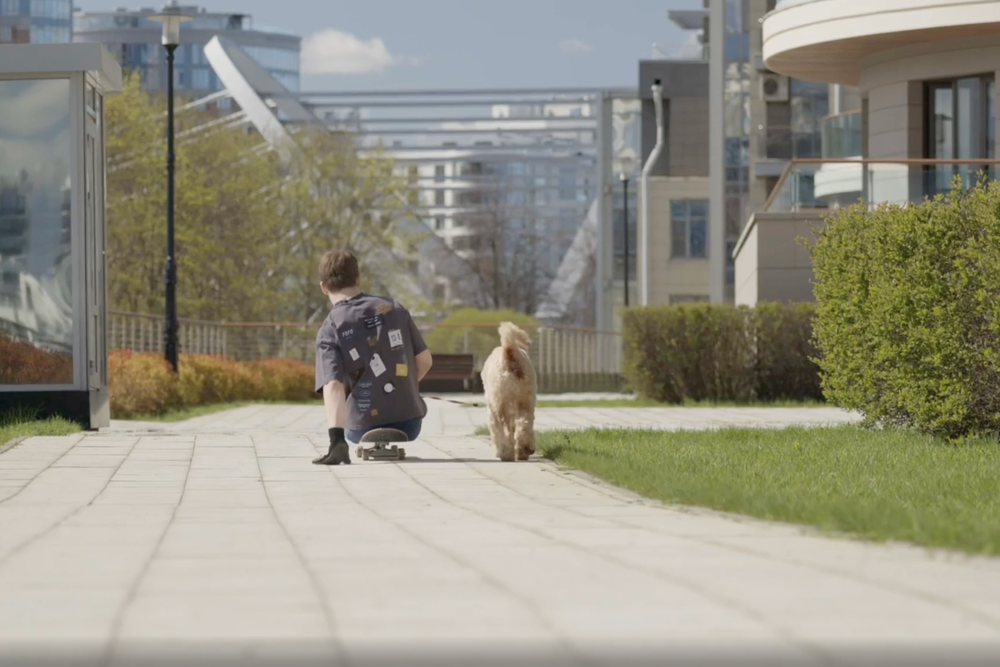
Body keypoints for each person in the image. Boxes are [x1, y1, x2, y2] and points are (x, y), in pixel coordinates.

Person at [312, 250, 433, 465]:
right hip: (410, 422)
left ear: (323, 287)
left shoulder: (330, 327)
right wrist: (404, 388)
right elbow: (425, 361)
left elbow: (332, 385)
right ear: (358, 277)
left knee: (350, 419)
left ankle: (344, 442)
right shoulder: (394, 309)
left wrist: (336, 440)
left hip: (361, 427)